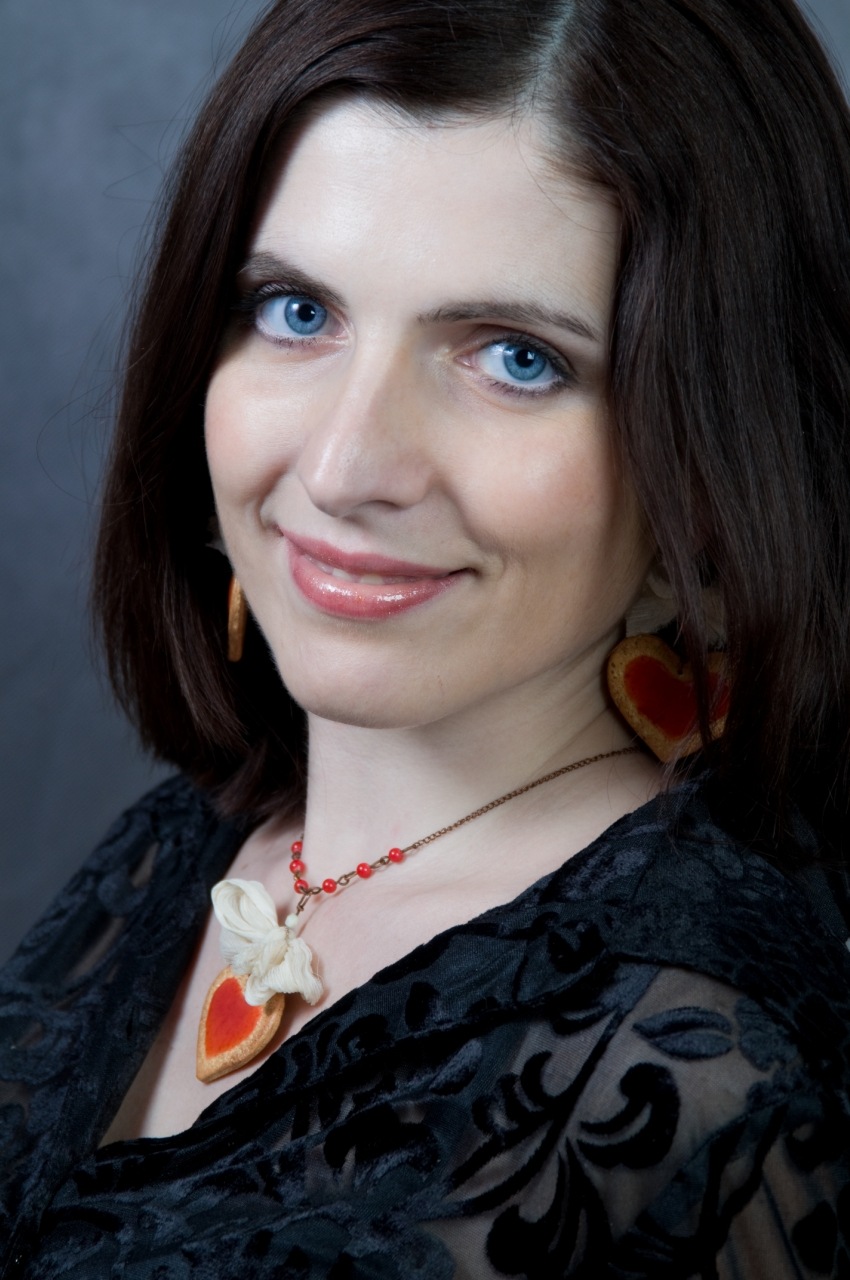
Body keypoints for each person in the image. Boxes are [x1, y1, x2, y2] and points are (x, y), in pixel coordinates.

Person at [2, 0, 850, 1273]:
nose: (343, 469)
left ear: (717, 450)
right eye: (296, 311)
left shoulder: (700, 1060)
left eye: (514, 357)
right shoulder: (187, 842)